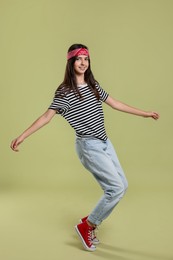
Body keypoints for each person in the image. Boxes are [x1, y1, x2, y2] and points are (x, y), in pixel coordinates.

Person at [10, 43, 159, 252]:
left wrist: (145, 113)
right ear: (71, 62)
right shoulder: (64, 92)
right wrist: (22, 136)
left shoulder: (93, 85)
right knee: (114, 188)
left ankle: (90, 222)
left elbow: (115, 103)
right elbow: (46, 117)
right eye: (79, 59)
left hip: (105, 142)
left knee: (122, 186)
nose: (83, 63)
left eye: (86, 59)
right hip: (89, 146)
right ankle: (87, 225)